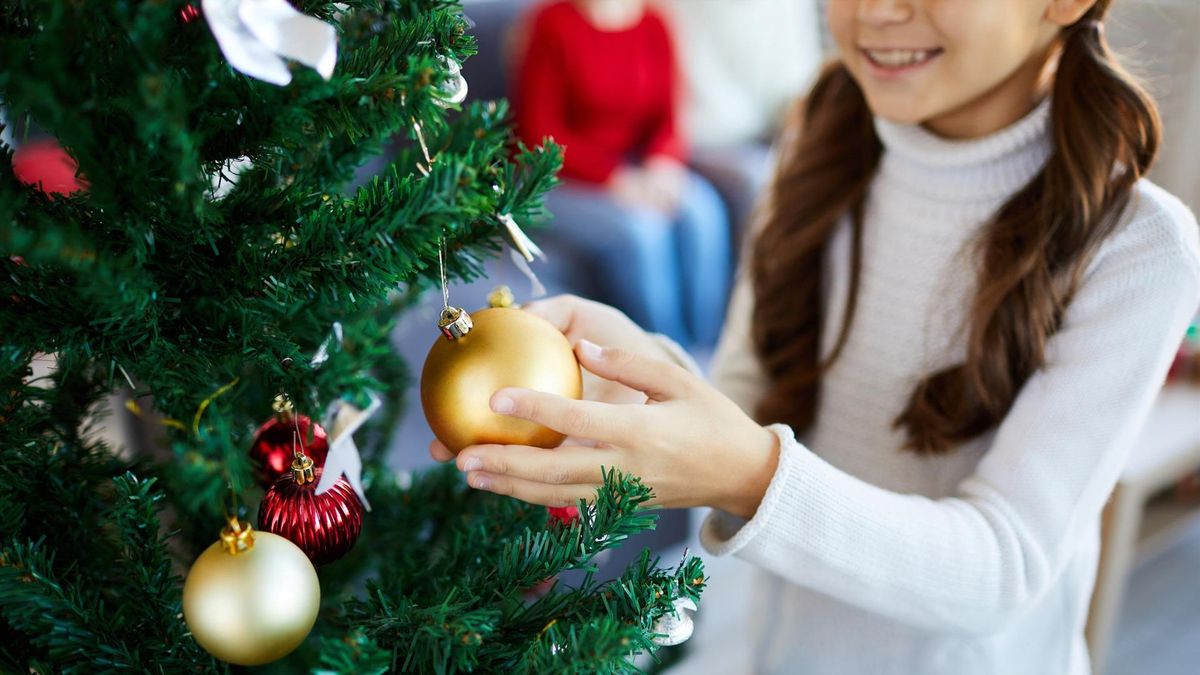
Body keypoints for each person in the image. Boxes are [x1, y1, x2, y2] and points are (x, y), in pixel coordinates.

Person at [440, 0, 1200, 672]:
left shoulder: (1140, 250)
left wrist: (751, 476)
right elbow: (743, 397)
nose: (874, 10)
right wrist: (628, 376)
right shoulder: (818, 139)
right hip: (745, 646)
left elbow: (1002, 565)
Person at [513, 0, 731, 347]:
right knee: (643, 231)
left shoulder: (655, 22)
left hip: (637, 166)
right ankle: (670, 354)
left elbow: (670, 116)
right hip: (566, 176)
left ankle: (712, 349)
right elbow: (541, 135)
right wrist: (615, 179)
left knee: (704, 209)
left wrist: (663, 163)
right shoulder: (551, 23)